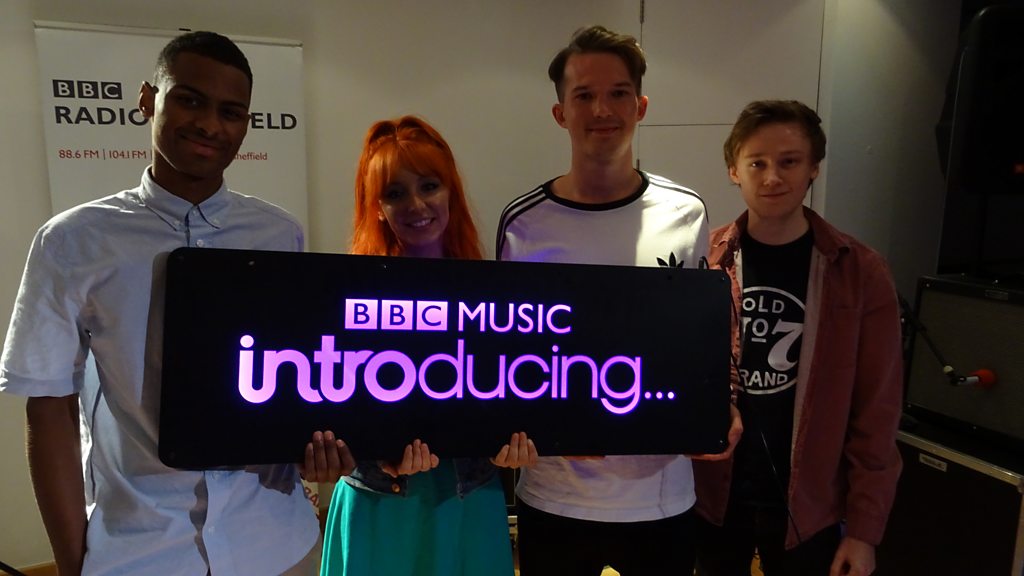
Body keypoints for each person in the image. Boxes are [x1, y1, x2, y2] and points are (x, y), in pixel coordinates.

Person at [0, 31, 353, 575]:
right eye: (190, 100)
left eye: (230, 112)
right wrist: (72, 564)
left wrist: (317, 448)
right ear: (148, 99)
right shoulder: (73, 241)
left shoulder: (279, 234)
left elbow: (295, 378)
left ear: (246, 123)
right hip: (142, 548)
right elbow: (49, 408)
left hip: (274, 541)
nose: (210, 125)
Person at [495, 25, 741, 576]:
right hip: (554, 497)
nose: (602, 109)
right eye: (584, 95)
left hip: (662, 497)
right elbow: (508, 354)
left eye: (618, 93)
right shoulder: (523, 222)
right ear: (560, 113)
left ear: (640, 106)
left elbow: (698, 341)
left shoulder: (687, 212)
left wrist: (720, 405)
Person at [692, 100, 903, 576]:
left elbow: (878, 411)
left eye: (788, 162)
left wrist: (865, 533)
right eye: (757, 163)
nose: (772, 177)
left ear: (813, 168)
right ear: (734, 170)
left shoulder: (861, 273)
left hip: (810, 511)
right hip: (712, 499)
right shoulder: (703, 260)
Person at [320, 115, 535, 576]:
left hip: (469, 503)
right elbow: (329, 407)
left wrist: (512, 446)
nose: (416, 205)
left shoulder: (496, 296)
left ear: (450, 191)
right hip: (379, 507)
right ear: (377, 207)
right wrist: (377, 458)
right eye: (395, 193)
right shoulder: (347, 297)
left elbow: (515, 393)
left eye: (430, 186)